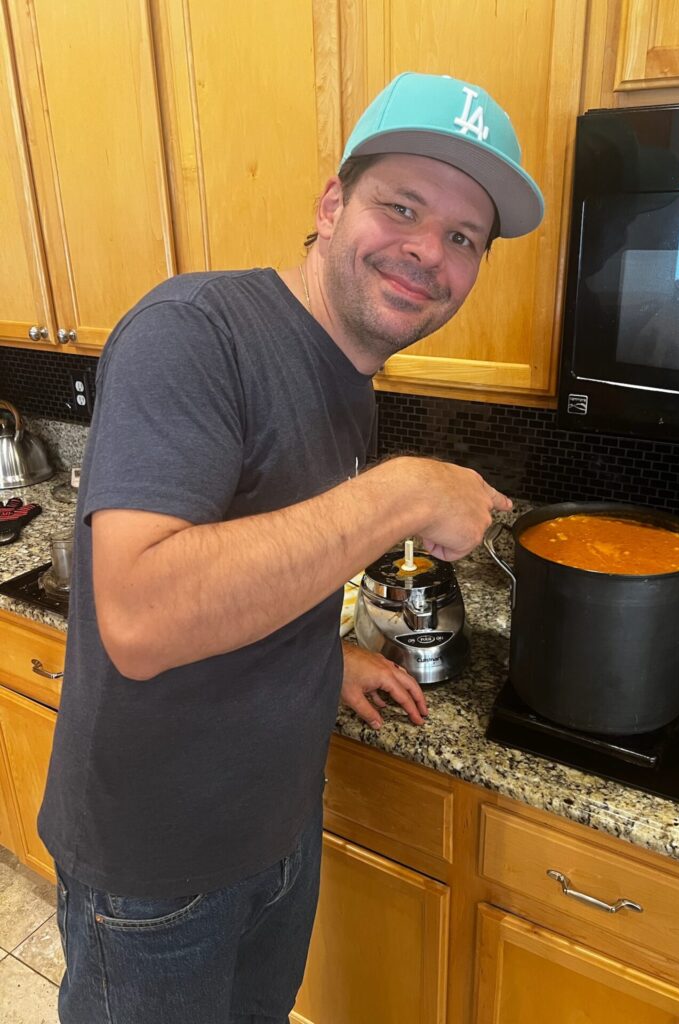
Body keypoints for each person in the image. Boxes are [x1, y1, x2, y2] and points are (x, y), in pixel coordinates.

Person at [37, 71, 544, 1024]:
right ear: (330, 204)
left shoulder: (347, 372)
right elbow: (141, 616)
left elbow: (267, 556)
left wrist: (327, 652)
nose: (428, 252)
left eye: (463, 238)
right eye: (403, 205)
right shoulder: (193, 333)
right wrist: (402, 490)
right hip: (156, 878)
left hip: (274, 835)